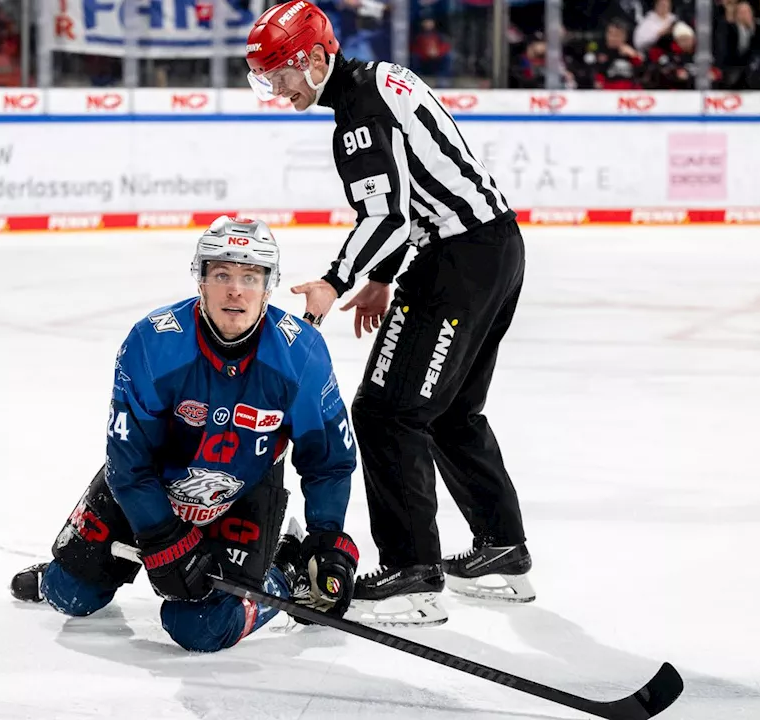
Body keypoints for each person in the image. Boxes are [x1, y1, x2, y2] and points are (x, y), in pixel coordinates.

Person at [245, 0, 534, 629]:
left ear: (318, 58)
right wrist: (379, 279)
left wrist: (333, 281)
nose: (278, 88)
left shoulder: (357, 115)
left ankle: (412, 574)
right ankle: (504, 553)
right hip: (493, 248)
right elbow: (412, 194)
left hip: (455, 262)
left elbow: (387, 215)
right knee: (453, 411)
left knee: (386, 412)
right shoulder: (376, 79)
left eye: (283, 73)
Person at [10, 216, 360, 652]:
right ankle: (63, 575)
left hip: (242, 495)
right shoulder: (152, 343)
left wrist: (326, 538)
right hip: (150, 488)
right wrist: (161, 537)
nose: (236, 289)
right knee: (71, 595)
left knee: (199, 626)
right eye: (222, 274)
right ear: (201, 280)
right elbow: (128, 461)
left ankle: (282, 570)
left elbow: (328, 460)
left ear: (269, 287)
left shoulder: (302, 354)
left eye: (250, 276)